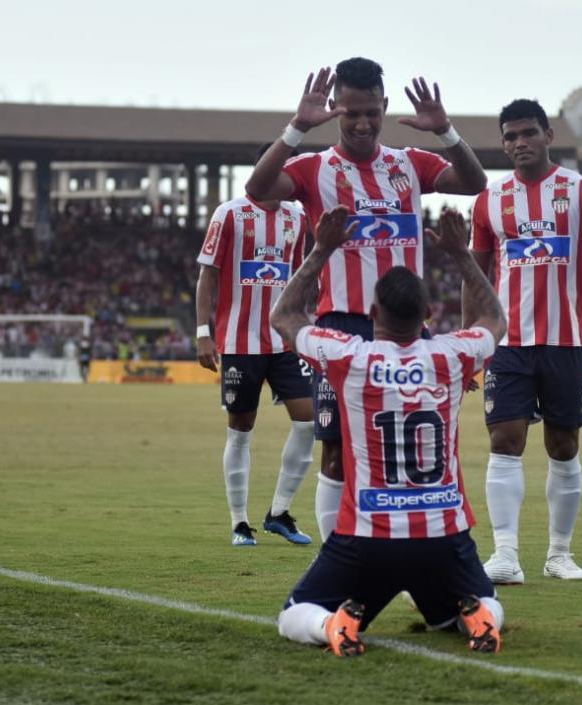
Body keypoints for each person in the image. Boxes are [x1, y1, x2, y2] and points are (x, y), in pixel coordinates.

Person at [245, 57, 488, 542]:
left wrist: (446, 133)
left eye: (371, 113)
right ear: (335, 109)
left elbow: (474, 183)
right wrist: (296, 127)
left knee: (399, 445)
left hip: (405, 330)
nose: (362, 123)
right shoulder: (314, 169)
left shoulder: (407, 164)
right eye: (351, 113)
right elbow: (256, 188)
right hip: (340, 327)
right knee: (336, 450)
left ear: (385, 107)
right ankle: (336, 561)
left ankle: (401, 546)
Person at [271, 206, 508, 657]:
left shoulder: (350, 357)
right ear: (429, 313)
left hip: (369, 533)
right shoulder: (451, 355)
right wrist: (461, 256)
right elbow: (496, 321)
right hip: (443, 533)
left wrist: (321, 249)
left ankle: (332, 626)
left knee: (293, 614)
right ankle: (479, 617)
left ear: (373, 310)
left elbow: (285, 316)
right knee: (478, 604)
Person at [469, 98, 582, 584]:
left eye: (527, 133)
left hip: (566, 340)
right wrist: (469, 339)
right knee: (505, 440)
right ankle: (505, 555)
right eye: (510, 136)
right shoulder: (489, 199)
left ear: (547, 135)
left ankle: (559, 554)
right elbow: (473, 274)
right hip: (509, 343)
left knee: (563, 445)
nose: (518, 143)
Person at [195, 152, 315, 547]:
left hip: (284, 340)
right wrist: (202, 332)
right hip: (239, 342)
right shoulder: (229, 214)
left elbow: (300, 277)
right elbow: (208, 274)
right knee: (241, 432)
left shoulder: (297, 217)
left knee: (309, 421)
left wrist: (306, 324)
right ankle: (239, 522)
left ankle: (279, 512)